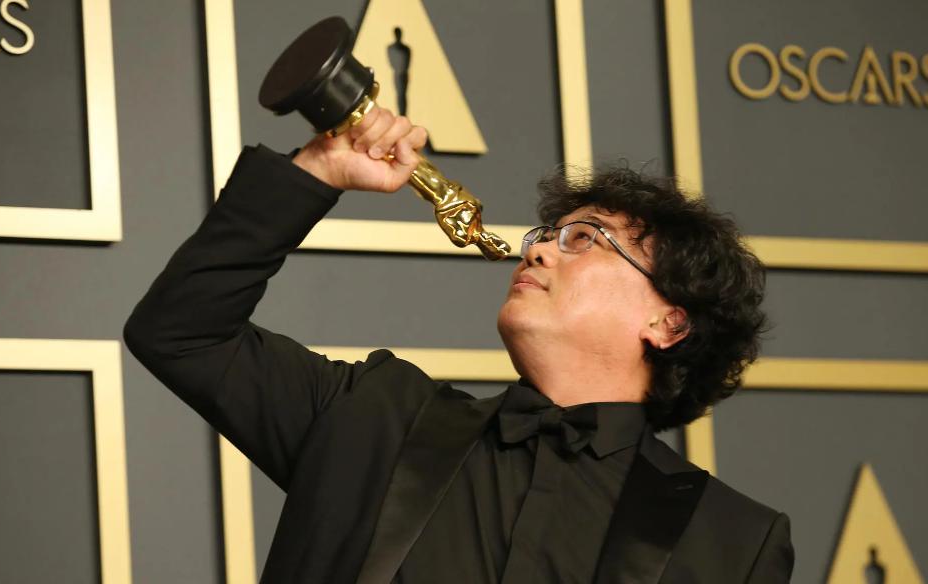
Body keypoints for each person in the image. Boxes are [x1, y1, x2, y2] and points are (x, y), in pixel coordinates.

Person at [124, 105, 794, 583]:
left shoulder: (734, 541)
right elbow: (181, 331)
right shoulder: (374, 415)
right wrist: (318, 169)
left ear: (668, 323)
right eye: (543, 236)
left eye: (584, 239)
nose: (537, 252)